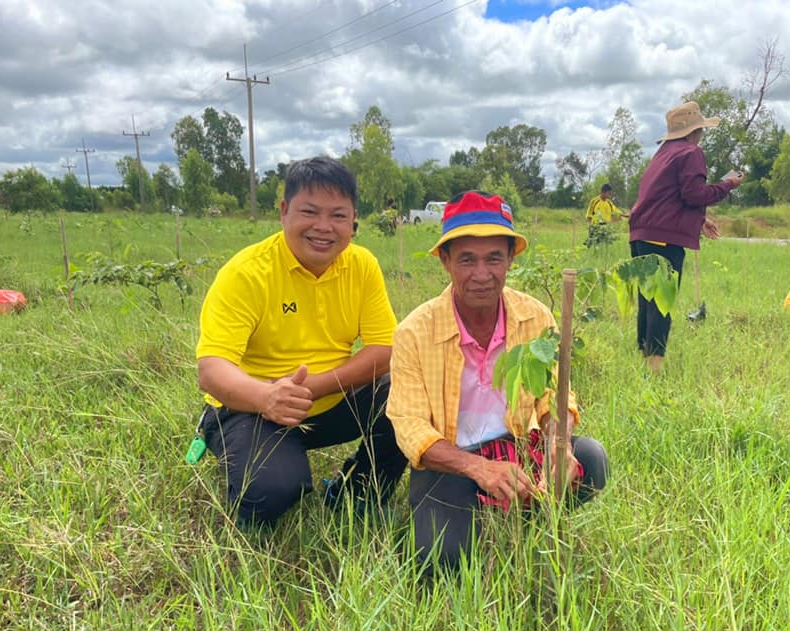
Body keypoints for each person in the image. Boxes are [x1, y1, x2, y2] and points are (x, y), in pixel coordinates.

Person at [386, 191, 610, 572]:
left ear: (510, 260)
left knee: (591, 460)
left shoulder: (534, 317)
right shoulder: (414, 332)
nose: (482, 274)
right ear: (445, 261)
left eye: (494, 258)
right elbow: (411, 428)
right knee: (442, 559)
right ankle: (479, 513)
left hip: (518, 446)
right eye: (466, 260)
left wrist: (558, 444)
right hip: (453, 462)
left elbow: (555, 395)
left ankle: (530, 514)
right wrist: (478, 468)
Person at [195, 156, 407, 525]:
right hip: (250, 408)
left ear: (353, 220)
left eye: (338, 215)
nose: (324, 227)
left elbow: (385, 350)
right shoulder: (247, 273)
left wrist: (313, 387)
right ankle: (249, 466)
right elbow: (211, 371)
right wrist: (267, 397)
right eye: (309, 212)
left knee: (412, 393)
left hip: (328, 401)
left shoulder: (361, 265)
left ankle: (357, 494)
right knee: (271, 492)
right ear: (284, 212)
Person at [628, 101, 743, 372]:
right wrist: (728, 184)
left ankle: (644, 358)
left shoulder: (663, 153)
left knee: (648, 299)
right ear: (695, 131)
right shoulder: (691, 153)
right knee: (662, 302)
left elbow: (666, 197)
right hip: (663, 239)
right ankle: (654, 367)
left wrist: (700, 220)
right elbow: (694, 194)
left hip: (641, 234)